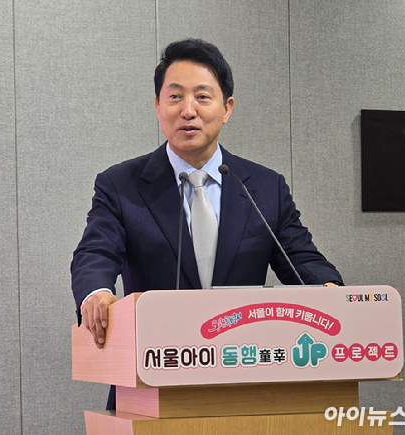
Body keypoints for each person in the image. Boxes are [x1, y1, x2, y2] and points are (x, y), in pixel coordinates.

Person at [71, 39, 343, 409]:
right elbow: (95, 252)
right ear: (157, 106)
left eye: (202, 97)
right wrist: (96, 293)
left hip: (245, 378)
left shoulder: (264, 187)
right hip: (152, 380)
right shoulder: (120, 185)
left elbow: (300, 258)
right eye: (175, 97)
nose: (188, 111)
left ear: (226, 108)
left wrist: (329, 291)